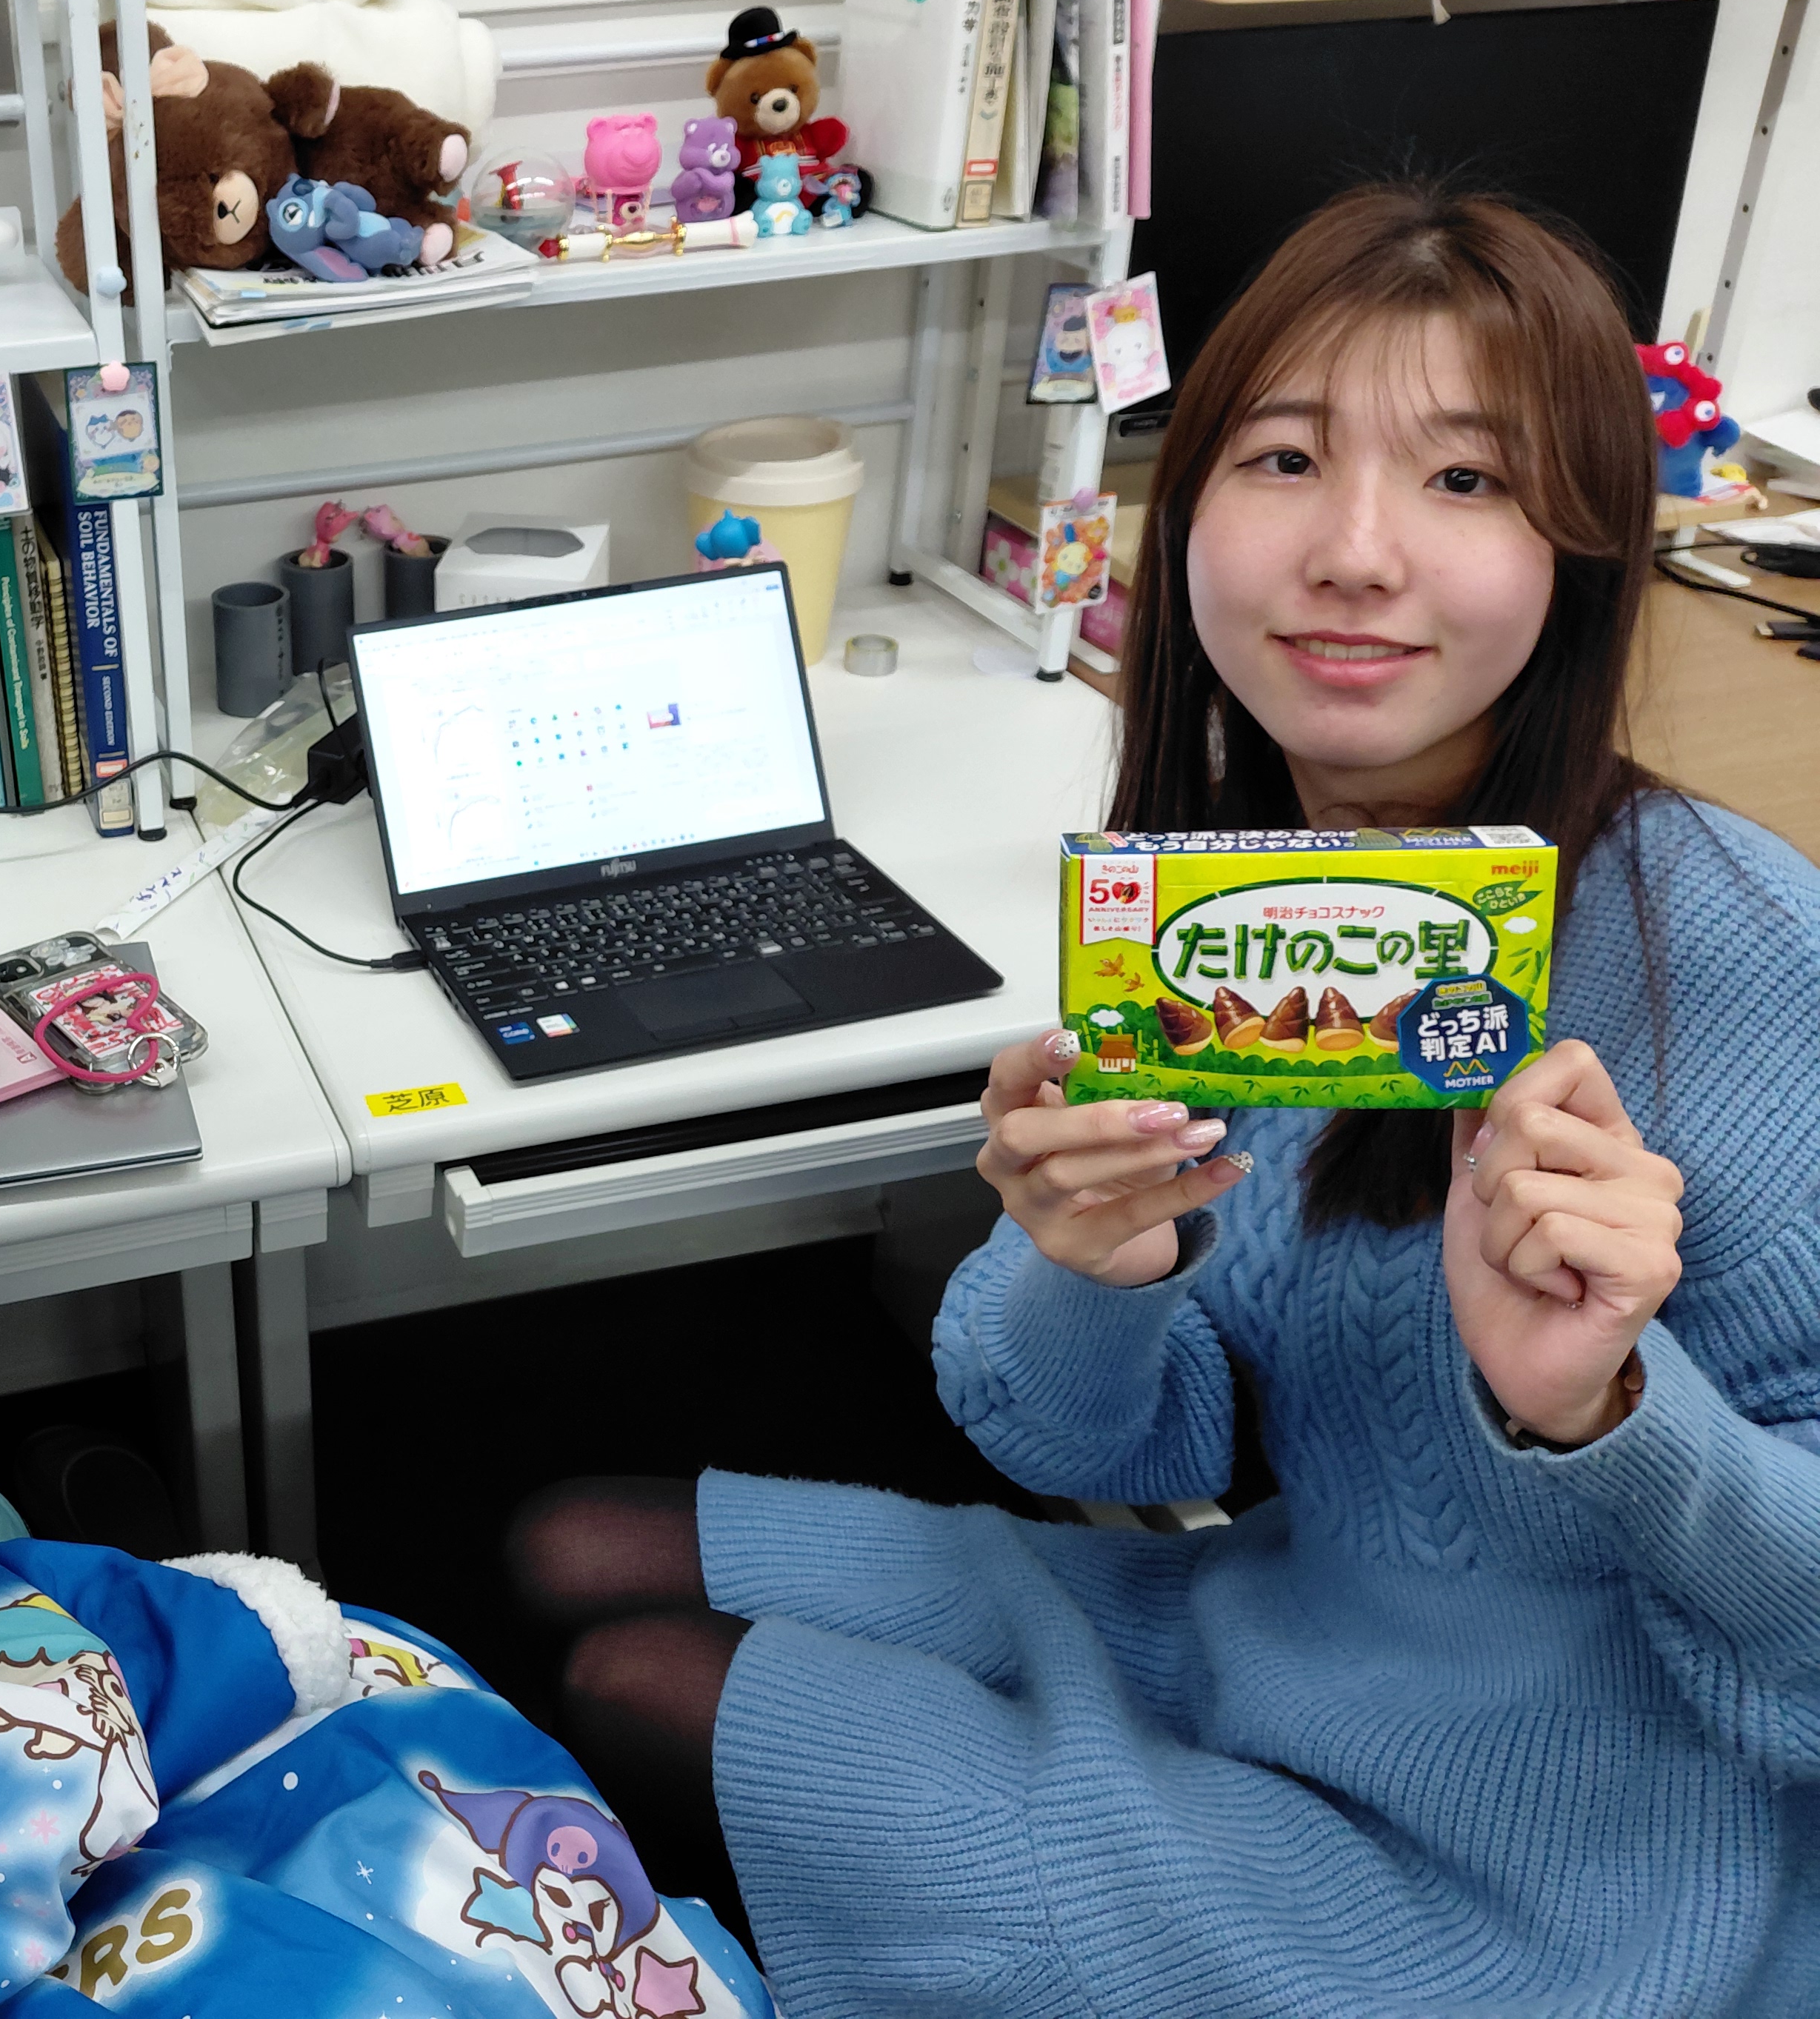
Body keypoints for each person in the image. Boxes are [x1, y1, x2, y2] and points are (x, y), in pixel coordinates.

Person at [513, 187, 1820, 2013]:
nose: (1352, 553)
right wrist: (1096, 1269)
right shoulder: (1229, 898)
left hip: (1558, 1868)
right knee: (562, 1547)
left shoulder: (1733, 950)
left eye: (1466, 480)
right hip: (1270, 1633)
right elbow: (1126, 1450)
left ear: (1581, 553)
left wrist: (1606, 1409)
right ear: (1184, 506)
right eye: (1286, 457)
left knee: (632, 1680)